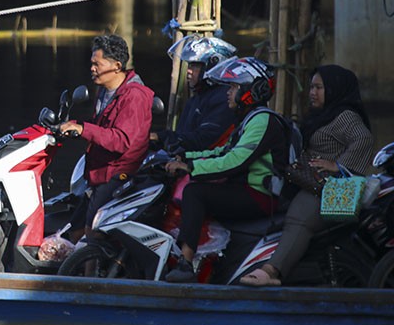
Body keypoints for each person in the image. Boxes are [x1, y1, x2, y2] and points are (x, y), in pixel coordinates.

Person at [239, 64, 374, 286]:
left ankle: (272, 271)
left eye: (319, 87)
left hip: (328, 188)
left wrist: (338, 166)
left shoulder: (344, 116)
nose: (312, 93)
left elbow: (364, 139)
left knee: (298, 220)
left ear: (334, 88)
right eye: (311, 87)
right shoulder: (323, 115)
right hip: (309, 181)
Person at [164, 56, 288, 283]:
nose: (227, 93)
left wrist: (191, 168)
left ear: (251, 90)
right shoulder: (248, 120)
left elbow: (235, 160)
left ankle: (186, 263)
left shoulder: (262, 120)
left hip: (259, 195)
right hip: (245, 189)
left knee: (195, 192)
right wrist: (184, 157)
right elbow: (221, 152)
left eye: (233, 87)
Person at [60, 34, 155, 238]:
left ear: (117, 66)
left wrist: (85, 129)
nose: (92, 68)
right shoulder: (104, 91)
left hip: (119, 173)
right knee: (72, 231)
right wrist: (76, 128)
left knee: (90, 231)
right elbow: (101, 130)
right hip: (98, 171)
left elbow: (121, 141)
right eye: (91, 63)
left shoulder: (135, 96)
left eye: (97, 64)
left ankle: (90, 269)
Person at [151, 34, 238, 153]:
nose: (188, 71)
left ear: (213, 65)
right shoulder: (197, 98)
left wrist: (161, 137)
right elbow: (183, 136)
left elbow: (202, 140)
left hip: (206, 164)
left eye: (195, 66)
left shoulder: (224, 98)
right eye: (189, 65)